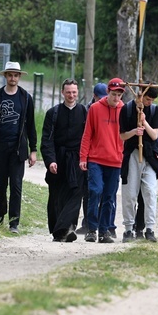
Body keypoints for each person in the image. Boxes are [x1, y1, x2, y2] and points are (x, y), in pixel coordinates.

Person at [0, 61, 37, 234]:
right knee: (0, 185)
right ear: (5, 76)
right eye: (10, 75)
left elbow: (31, 126)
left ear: (19, 77)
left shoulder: (26, 98)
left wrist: (33, 150)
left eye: (16, 75)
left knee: (16, 185)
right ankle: (0, 217)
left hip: (18, 149)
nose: (13, 78)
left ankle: (14, 223)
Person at [41, 79, 88, 242]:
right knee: (57, 196)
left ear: (78, 93)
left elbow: (88, 137)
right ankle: (59, 231)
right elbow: (47, 140)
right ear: (63, 93)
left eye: (74, 92)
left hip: (77, 159)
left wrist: (85, 158)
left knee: (76, 194)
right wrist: (51, 161)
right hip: (58, 158)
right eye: (68, 92)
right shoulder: (53, 113)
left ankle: (67, 228)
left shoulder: (84, 112)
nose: (71, 95)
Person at [79, 78, 125, 243]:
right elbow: (87, 134)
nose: (116, 98)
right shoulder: (95, 108)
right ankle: (91, 228)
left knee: (109, 196)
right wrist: (83, 157)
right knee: (95, 191)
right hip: (96, 159)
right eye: (114, 94)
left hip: (115, 160)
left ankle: (104, 230)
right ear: (108, 92)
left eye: (119, 95)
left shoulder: (124, 110)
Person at [120, 83, 158, 243]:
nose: (149, 102)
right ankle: (128, 229)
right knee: (130, 194)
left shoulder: (155, 111)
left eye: (152, 100)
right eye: (147, 99)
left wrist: (144, 122)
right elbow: (122, 136)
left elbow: (154, 135)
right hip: (132, 154)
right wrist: (133, 132)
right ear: (140, 95)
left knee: (151, 192)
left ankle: (149, 228)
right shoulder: (127, 109)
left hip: (149, 156)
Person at [75, 82, 109, 235]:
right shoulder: (87, 110)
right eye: (100, 97)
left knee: (103, 192)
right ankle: (88, 223)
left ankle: (104, 225)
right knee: (89, 191)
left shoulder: (110, 107)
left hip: (103, 154)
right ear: (94, 96)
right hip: (89, 154)